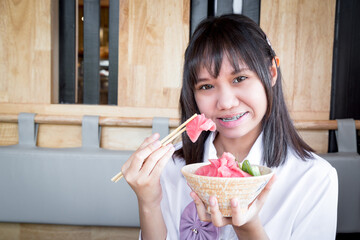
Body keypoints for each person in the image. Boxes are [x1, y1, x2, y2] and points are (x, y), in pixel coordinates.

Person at [121, 14, 338, 240]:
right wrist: (148, 202)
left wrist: (248, 228)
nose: (225, 102)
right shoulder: (172, 167)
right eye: (206, 86)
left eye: (239, 78)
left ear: (271, 72)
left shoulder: (315, 179)